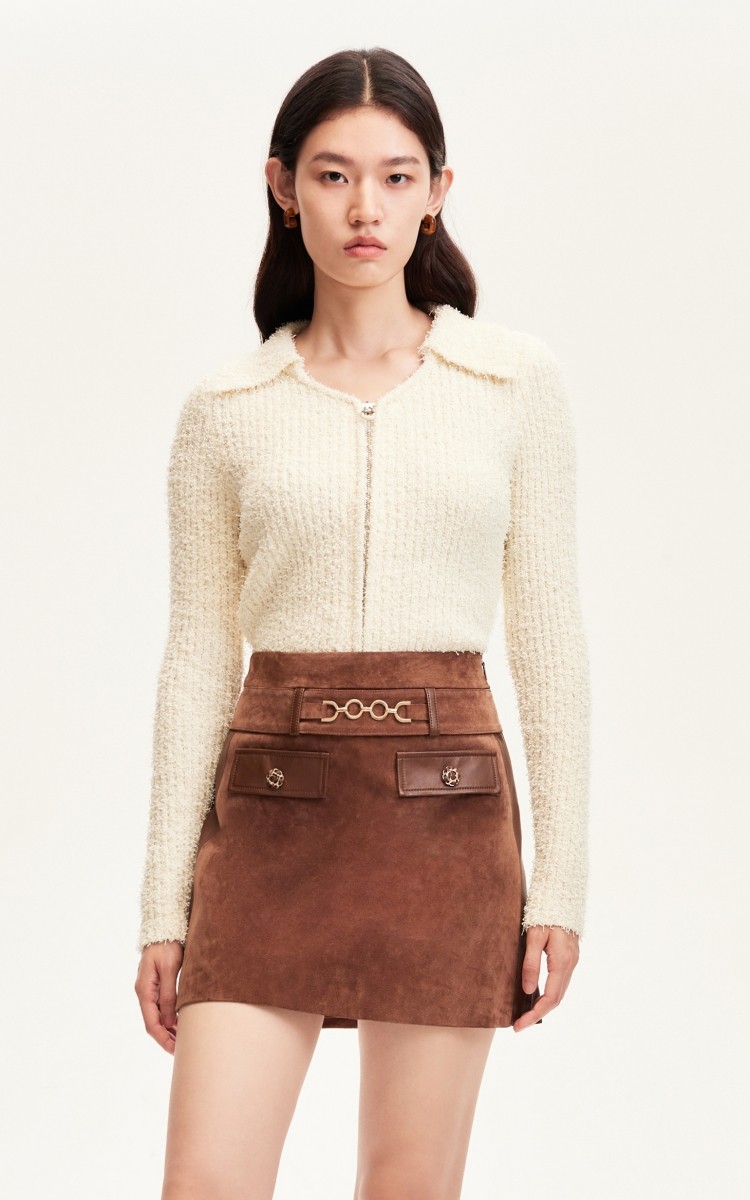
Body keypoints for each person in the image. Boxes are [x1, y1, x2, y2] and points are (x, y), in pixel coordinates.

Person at [134, 46, 591, 1200]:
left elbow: (550, 649)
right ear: (283, 186)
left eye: (396, 177)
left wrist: (562, 888)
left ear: (439, 190)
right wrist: (161, 907)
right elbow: (197, 659)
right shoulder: (227, 409)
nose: (364, 209)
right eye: (334, 175)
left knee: (406, 1186)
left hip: (449, 826)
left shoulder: (512, 385)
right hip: (268, 827)